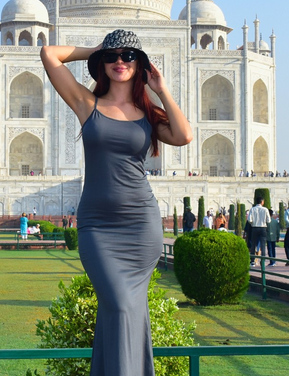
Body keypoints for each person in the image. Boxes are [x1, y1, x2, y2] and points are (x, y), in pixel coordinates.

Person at [41, 29, 192, 375]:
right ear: (102, 64)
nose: (119, 62)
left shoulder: (149, 113)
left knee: (123, 311)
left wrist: (162, 88)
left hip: (141, 227)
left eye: (128, 56)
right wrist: (96, 49)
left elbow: (184, 135)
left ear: (140, 63)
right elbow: (49, 54)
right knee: (121, 306)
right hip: (98, 228)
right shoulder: (87, 104)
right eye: (112, 57)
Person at [248, 197, 271, 267]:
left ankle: (252, 261)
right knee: (263, 245)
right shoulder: (265, 209)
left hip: (255, 228)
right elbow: (269, 220)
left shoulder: (252, 209)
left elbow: (249, 219)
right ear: (262, 202)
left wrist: (253, 223)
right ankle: (263, 261)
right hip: (263, 228)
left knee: (253, 245)